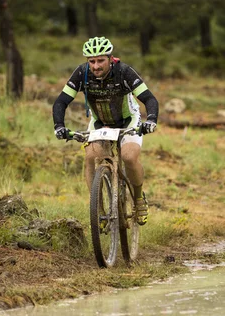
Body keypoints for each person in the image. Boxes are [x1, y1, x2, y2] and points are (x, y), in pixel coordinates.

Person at [52, 36, 158, 225]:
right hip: (100, 122)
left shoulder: (124, 72)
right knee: (91, 157)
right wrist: (59, 126)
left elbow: (149, 99)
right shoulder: (82, 73)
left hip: (128, 120)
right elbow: (61, 101)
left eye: (100, 60)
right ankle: (98, 210)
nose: (96, 66)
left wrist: (151, 120)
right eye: (91, 61)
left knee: (129, 156)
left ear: (110, 58)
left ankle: (139, 198)